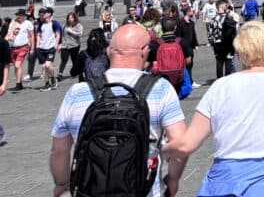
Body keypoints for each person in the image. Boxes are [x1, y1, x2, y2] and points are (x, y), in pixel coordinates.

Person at [163, 21, 264, 197]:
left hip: (224, 183)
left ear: (237, 54)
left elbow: (186, 145)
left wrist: (164, 149)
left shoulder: (219, 87)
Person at [49, 23, 188, 197]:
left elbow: (59, 150)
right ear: (145, 52)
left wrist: (61, 183)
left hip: (90, 191)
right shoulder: (161, 89)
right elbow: (180, 144)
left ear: (109, 51)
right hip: (144, 191)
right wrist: (173, 179)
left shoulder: (77, 92)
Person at [210, 0, 238, 80]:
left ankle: (219, 81)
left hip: (217, 45)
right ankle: (227, 81)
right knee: (228, 62)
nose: (227, 7)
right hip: (228, 44)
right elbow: (234, 30)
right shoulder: (228, 18)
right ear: (221, 6)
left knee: (219, 62)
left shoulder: (212, 19)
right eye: (226, 5)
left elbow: (210, 34)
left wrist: (212, 44)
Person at [9, 8, 35, 92]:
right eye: (17, 15)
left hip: (23, 47)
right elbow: (10, 33)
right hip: (13, 47)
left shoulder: (28, 23)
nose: (18, 16)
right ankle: (19, 84)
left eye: (20, 15)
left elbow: (32, 36)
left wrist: (32, 48)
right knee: (16, 67)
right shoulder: (13, 23)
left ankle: (18, 84)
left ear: (24, 16)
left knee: (17, 65)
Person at [57, 11, 84, 82]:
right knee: (64, 60)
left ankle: (74, 73)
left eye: (72, 18)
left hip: (74, 46)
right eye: (69, 18)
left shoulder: (79, 25)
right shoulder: (64, 26)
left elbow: (80, 34)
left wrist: (72, 31)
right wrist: (59, 45)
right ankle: (60, 74)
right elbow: (61, 36)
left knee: (74, 60)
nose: (70, 19)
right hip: (65, 46)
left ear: (74, 18)